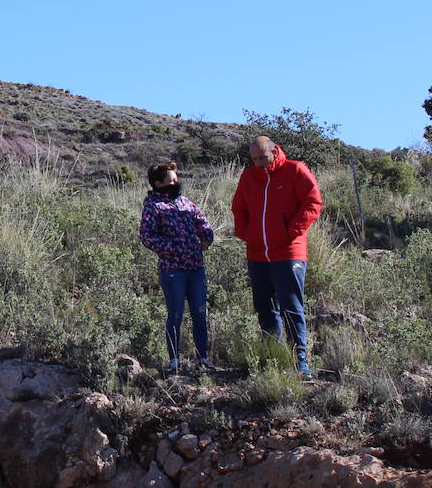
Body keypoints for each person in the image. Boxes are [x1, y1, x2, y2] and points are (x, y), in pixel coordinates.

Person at [231, 136, 324, 378]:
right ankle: (275, 359)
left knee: (292, 307)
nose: (258, 163)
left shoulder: (295, 170)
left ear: (274, 151)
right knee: (265, 308)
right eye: (253, 159)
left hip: (288, 252)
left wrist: (289, 232)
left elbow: (313, 203)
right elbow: (239, 208)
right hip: (257, 253)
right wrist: (246, 233)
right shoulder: (249, 177)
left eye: (262, 157)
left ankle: (300, 360)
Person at [139, 160, 215, 376]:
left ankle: (203, 358)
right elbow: (147, 236)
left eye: (176, 179)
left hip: (196, 267)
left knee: (200, 313)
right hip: (172, 269)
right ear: (158, 183)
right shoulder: (153, 206)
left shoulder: (185, 202)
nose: (176, 183)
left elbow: (202, 221)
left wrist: (206, 237)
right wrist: (173, 248)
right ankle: (174, 360)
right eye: (171, 180)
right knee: (175, 315)